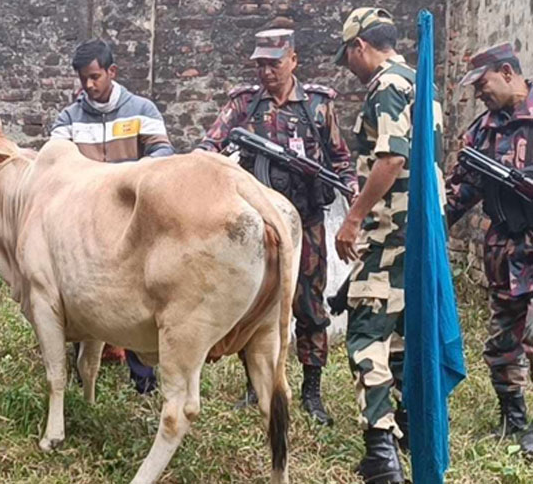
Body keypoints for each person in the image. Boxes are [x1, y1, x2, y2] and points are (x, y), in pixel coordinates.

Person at [197, 28, 356, 426]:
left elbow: (341, 160)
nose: (267, 71)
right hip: (257, 228)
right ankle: (254, 385)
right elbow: (208, 146)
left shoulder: (318, 107)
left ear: (293, 61)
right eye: (260, 64)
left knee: (309, 304)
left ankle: (311, 391)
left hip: (306, 222)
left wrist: (353, 196)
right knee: (252, 303)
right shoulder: (244, 105)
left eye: (274, 63)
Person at [334, 7, 443, 484]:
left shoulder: (385, 86)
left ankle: (380, 451)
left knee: (364, 335)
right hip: (419, 229)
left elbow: (393, 156)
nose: (349, 68)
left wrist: (353, 218)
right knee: (397, 338)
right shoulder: (421, 82)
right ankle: (404, 434)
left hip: (389, 232)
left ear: (361, 46)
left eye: (348, 57)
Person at [49, 38, 174, 394]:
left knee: (135, 293)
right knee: (82, 288)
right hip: (84, 225)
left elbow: (163, 151)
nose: (88, 85)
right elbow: (56, 164)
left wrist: (128, 177)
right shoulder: (69, 118)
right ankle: (81, 369)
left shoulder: (142, 110)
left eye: (95, 77)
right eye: (83, 79)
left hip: (129, 221)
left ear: (111, 72)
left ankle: (143, 379)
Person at [445, 43, 533, 456]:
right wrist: (431, 222)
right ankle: (513, 421)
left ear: (507, 72)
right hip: (504, 251)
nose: (479, 93)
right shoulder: (481, 131)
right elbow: (462, 189)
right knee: (502, 341)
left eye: (483, 84)